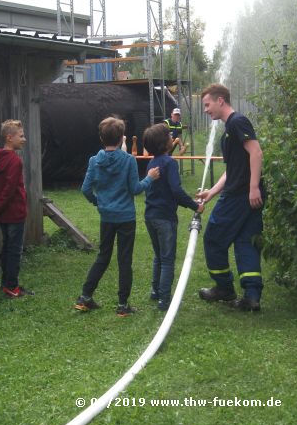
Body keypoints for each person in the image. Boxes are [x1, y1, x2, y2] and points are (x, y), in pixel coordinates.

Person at [74, 117, 160, 317]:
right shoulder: (128, 160)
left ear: (101, 139)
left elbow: (86, 189)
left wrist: (98, 202)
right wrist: (150, 178)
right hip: (125, 218)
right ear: (122, 138)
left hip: (107, 217)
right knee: (124, 260)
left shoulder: (94, 161)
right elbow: (135, 188)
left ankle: (85, 297)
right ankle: (122, 306)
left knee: (103, 256)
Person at [196, 83, 265, 312]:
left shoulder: (237, 122)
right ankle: (251, 297)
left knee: (214, 238)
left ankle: (224, 288)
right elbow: (233, 169)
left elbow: (256, 152)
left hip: (240, 196)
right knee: (246, 241)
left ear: (220, 101)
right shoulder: (228, 131)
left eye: (207, 104)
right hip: (246, 195)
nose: (206, 110)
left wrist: (253, 187)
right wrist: (212, 192)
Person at [143, 123, 204, 311]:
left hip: (150, 216)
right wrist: (195, 206)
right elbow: (176, 191)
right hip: (165, 219)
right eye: (170, 136)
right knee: (168, 259)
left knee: (158, 256)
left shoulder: (152, 163)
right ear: (164, 143)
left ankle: (155, 291)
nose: (173, 138)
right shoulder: (169, 163)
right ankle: (164, 300)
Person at [0, 120, 34, 299]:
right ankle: (12, 287)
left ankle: (7, 284)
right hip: (14, 212)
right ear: (9, 137)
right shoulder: (15, 161)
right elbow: (9, 189)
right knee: (14, 250)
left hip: (2, 215)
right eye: (21, 136)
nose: (24, 139)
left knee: (7, 248)